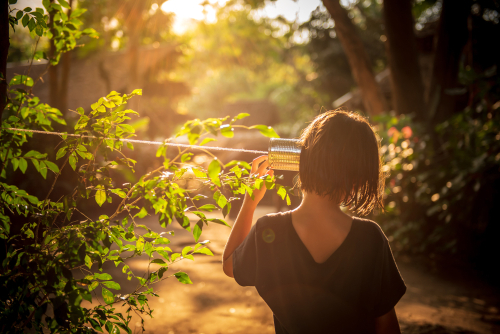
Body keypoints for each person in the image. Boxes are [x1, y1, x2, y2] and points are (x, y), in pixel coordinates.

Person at [222, 110, 406, 334]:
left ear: (301, 159)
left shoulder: (269, 230)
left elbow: (230, 266)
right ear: (359, 180)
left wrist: (250, 202)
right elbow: (387, 326)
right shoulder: (370, 238)